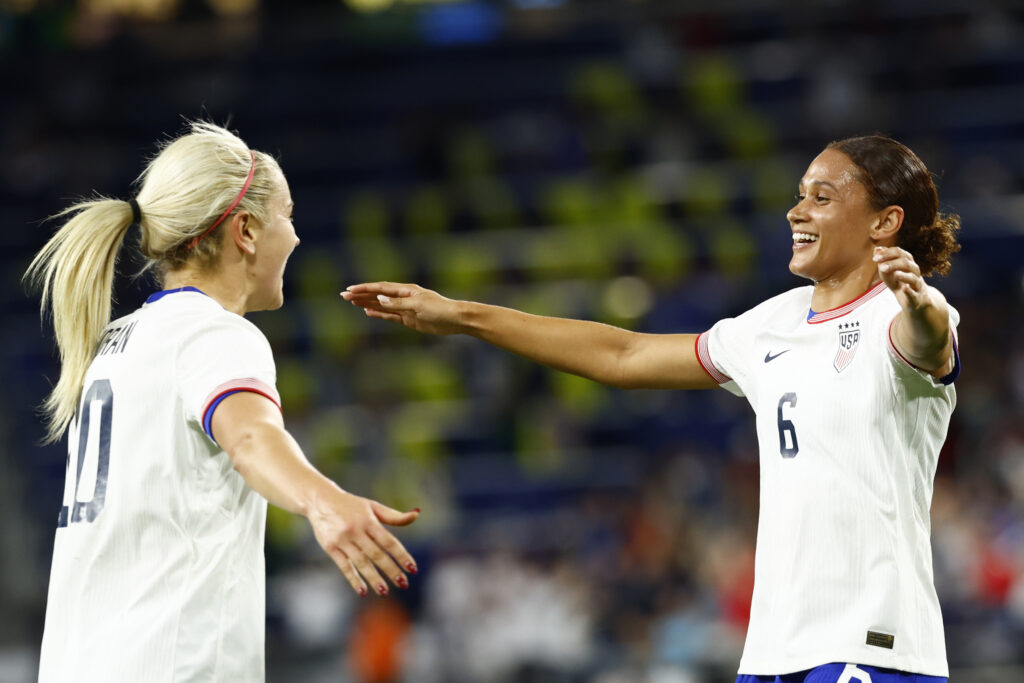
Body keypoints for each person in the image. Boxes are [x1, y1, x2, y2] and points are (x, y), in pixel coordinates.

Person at [343, 135, 961, 683]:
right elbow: (623, 355)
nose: (797, 212)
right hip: (773, 651)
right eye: (799, 195)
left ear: (885, 223)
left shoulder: (903, 315)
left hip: (873, 645)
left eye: (821, 198)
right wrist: (463, 316)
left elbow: (929, 342)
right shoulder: (770, 326)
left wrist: (919, 302)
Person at [26, 122, 419, 682]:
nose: (297, 236)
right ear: (247, 231)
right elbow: (251, 436)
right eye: (287, 215)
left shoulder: (118, 341)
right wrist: (323, 500)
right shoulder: (214, 335)